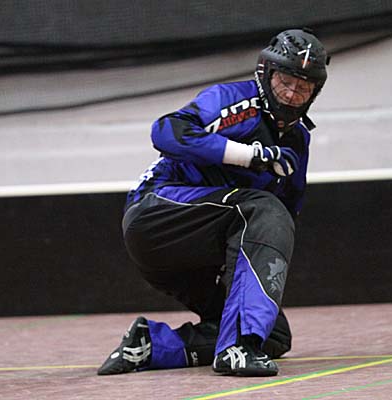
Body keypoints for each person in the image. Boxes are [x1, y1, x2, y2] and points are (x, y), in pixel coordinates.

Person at [98, 28, 329, 377]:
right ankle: (236, 348)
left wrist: (251, 269)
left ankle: (150, 346)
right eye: (285, 81)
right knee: (262, 209)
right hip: (157, 213)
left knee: (273, 334)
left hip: (205, 247)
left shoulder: (297, 140)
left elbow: (287, 211)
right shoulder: (233, 100)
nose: (290, 94)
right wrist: (249, 155)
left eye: (303, 88)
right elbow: (166, 131)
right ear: (266, 74)